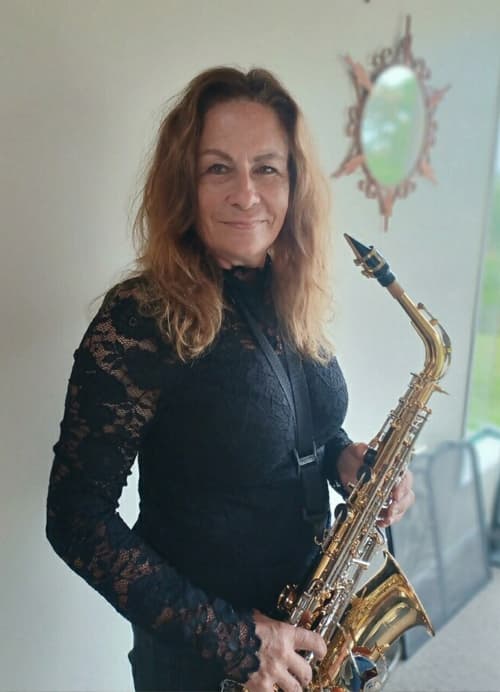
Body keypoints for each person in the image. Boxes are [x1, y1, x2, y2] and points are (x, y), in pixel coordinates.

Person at [46, 66, 415, 692]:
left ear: (293, 183)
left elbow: (299, 434)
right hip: (208, 665)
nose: (246, 195)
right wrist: (235, 640)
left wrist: (345, 461)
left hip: (308, 638)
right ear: (184, 184)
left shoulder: (286, 293)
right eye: (218, 168)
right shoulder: (140, 316)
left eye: (266, 168)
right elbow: (76, 518)